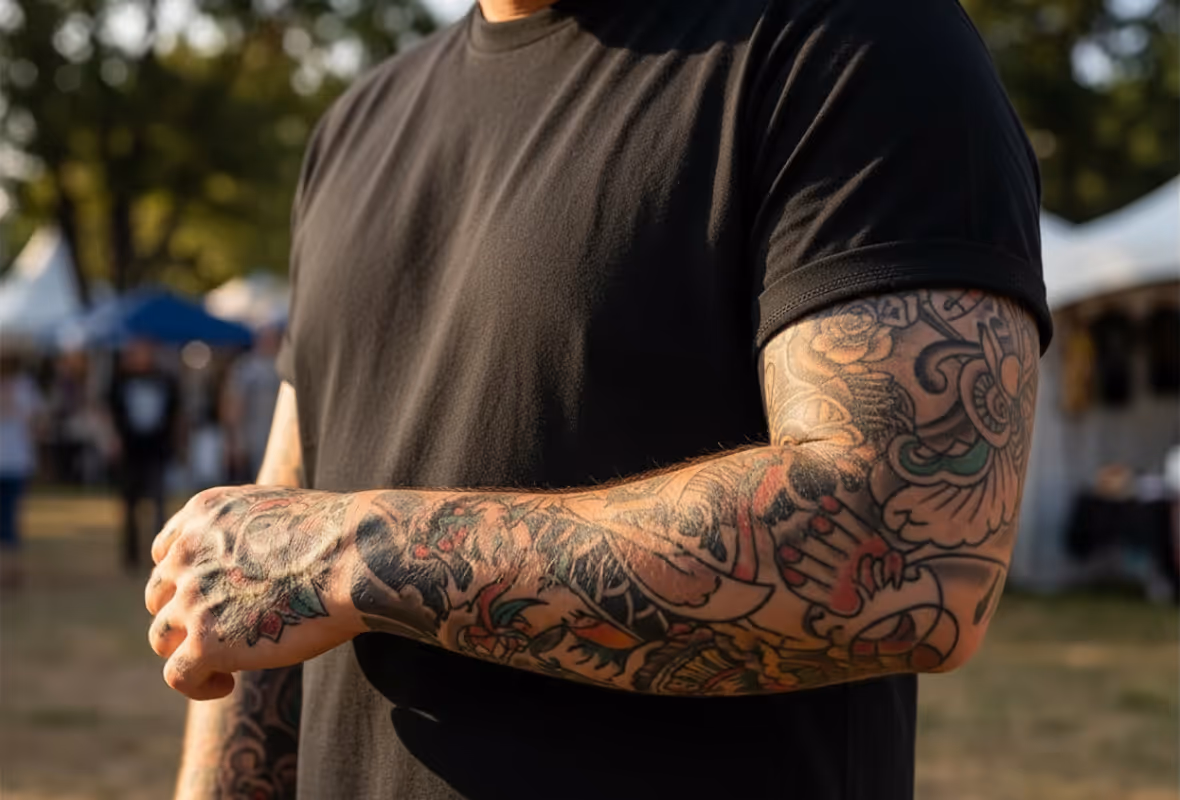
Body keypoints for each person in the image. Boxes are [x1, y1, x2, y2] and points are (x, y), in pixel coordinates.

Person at [146, 1, 1054, 798]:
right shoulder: (354, 129)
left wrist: (356, 553)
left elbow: (910, 545)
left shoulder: (856, 39)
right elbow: (264, 554)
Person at [108, 338, 180, 570]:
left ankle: (160, 556)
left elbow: (176, 414)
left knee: (159, 504)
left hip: (156, 450)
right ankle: (130, 557)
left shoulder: (164, 380)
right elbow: (107, 412)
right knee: (129, 506)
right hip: (130, 452)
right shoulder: (119, 382)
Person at [0, 353, 44, 589]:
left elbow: (37, 419)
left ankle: (11, 571)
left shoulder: (25, 386)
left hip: (15, 463)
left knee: (10, 520)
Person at [222, 325, 283, 483]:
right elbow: (235, 404)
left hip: (277, 436)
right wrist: (236, 440)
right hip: (252, 438)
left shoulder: (283, 365)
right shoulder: (247, 367)